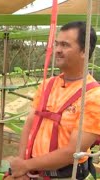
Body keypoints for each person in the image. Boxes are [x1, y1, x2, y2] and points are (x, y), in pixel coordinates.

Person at [8, 21, 100, 180]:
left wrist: (26, 166)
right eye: (57, 44)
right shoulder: (47, 85)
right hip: (35, 172)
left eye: (65, 45)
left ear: (84, 51)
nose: (57, 50)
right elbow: (30, 124)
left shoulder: (94, 96)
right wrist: (22, 166)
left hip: (67, 176)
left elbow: (72, 151)